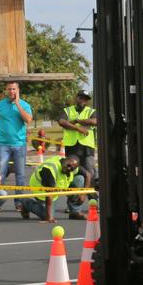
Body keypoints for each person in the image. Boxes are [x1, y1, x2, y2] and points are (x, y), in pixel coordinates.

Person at [0, 81, 33, 204]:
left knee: (20, 175)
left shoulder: (24, 105)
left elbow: (28, 120)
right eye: (9, 89)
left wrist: (18, 104)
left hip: (19, 144)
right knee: (0, 174)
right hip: (2, 144)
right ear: (6, 90)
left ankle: (19, 202)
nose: (11, 92)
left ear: (18, 90)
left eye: (14, 89)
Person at [58, 90, 97, 220]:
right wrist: (78, 128)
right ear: (77, 98)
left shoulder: (91, 111)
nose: (83, 100)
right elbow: (62, 122)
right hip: (72, 148)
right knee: (72, 176)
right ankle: (73, 206)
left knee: (90, 174)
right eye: (81, 97)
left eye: (85, 99)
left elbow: (95, 121)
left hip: (87, 148)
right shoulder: (68, 110)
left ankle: (93, 202)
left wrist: (77, 121)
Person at [19, 154, 83, 223]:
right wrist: (48, 217)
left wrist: (83, 194)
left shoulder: (73, 167)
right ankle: (26, 202)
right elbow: (49, 194)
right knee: (45, 215)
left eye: (72, 168)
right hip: (41, 191)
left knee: (80, 179)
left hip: (56, 188)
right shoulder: (50, 169)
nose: (69, 168)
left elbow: (88, 175)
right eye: (68, 165)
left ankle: (74, 212)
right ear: (65, 160)